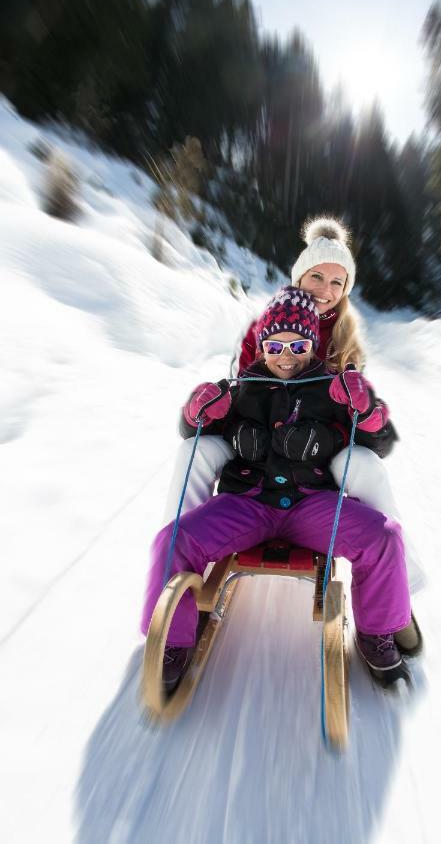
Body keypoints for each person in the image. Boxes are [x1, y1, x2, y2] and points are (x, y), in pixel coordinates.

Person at [141, 287, 421, 692]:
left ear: (312, 344)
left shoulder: (330, 390)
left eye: (297, 344)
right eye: (274, 345)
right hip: (247, 505)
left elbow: (376, 443)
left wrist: (368, 411)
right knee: (173, 539)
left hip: (311, 507)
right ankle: (173, 638)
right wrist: (195, 413)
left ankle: (377, 632)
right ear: (262, 345)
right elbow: (199, 431)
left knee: (383, 537)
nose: (285, 354)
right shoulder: (242, 389)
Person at [162, 217, 425, 591]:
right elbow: (245, 395)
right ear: (299, 276)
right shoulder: (269, 324)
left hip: (317, 452)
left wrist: (347, 422)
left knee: (365, 464)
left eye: (338, 282)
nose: (326, 290)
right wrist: (215, 417)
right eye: (317, 277)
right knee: (195, 449)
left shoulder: (346, 341)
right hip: (260, 445)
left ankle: (398, 582)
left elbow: (372, 433)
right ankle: (180, 572)